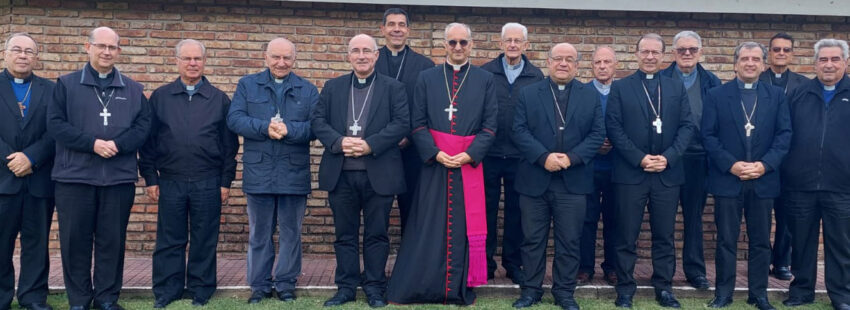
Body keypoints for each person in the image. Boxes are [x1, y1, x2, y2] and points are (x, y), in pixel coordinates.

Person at [386, 22, 497, 305]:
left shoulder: (485, 80)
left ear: (471, 45)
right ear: (444, 45)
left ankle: (457, 287)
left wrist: (470, 154)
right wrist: (435, 153)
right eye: (452, 43)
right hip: (434, 164)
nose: (457, 47)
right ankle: (426, 285)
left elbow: (490, 127)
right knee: (428, 225)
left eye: (463, 42)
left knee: (462, 226)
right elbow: (417, 123)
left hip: (467, 164)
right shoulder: (427, 77)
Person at [47, 26, 151, 310]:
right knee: (74, 242)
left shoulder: (132, 89)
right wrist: (92, 144)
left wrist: (118, 144)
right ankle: (79, 300)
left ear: (119, 51)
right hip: (74, 178)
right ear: (88, 47)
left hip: (117, 179)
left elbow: (144, 127)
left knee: (112, 243)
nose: (107, 52)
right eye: (101, 46)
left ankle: (106, 298)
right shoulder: (66, 85)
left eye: (112, 47)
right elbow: (55, 124)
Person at [311, 34, 409, 308]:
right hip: (341, 174)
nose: (362, 55)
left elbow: (402, 123)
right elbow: (317, 121)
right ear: (349, 56)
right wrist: (339, 141)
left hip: (379, 173)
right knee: (345, 235)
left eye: (367, 51)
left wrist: (370, 145)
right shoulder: (333, 87)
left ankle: (375, 288)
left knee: (377, 234)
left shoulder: (394, 88)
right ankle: (345, 287)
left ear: (377, 55)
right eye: (356, 51)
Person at [140, 39, 239, 308]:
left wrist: (225, 181)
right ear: (177, 61)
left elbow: (230, 146)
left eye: (197, 59)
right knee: (169, 238)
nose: (193, 63)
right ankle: (167, 290)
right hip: (169, 179)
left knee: (204, 238)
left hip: (207, 180)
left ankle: (200, 288)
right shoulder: (160, 97)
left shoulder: (219, 99)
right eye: (187, 58)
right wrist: (150, 177)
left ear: (205, 62)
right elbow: (147, 142)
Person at [510, 42, 605, 310]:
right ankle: (530, 291)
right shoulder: (529, 94)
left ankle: (564, 292)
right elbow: (518, 131)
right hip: (534, 179)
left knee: (569, 240)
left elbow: (597, 134)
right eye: (558, 59)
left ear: (577, 65)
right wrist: (544, 157)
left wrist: (570, 158)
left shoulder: (589, 95)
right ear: (548, 62)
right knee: (532, 240)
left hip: (573, 182)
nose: (563, 63)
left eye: (569, 59)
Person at [226, 37, 318, 304]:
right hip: (259, 172)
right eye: (276, 57)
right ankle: (259, 284)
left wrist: (290, 130)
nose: (281, 63)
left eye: (287, 58)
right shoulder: (247, 85)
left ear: (294, 59)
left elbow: (316, 128)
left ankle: (286, 283)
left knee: (291, 232)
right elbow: (235, 119)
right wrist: (264, 127)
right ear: (265, 57)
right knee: (259, 232)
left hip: (293, 172)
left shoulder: (308, 89)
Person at [606, 33, 694, 309]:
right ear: (636, 54)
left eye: (655, 52)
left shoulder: (675, 87)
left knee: (664, 235)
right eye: (645, 51)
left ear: (663, 55)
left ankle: (664, 287)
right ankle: (625, 288)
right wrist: (640, 158)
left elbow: (687, 127)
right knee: (626, 234)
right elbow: (614, 128)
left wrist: (668, 158)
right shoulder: (621, 87)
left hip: (666, 175)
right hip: (631, 174)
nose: (650, 57)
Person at [701, 41, 791, 310]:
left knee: (761, 241)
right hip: (728, 179)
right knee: (726, 240)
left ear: (763, 64)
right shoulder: (717, 95)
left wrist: (764, 165)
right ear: (735, 63)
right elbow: (708, 135)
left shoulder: (776, 96)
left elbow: (784, 136)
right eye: (744, 58)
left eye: (755, 59)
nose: (750, 63)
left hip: (763, 180)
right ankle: (724, 294)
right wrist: (731, 165)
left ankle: (759, 294)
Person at [781, 38, 850, 310]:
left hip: (841, 185)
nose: (829, 64)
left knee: (840, 245)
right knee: (802, 243)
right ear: (815, 62)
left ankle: (842, 295)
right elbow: (784, 135)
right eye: (823, 59)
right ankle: (800, 291)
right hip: (800, 184)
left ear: (845, 62)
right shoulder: (799, 93)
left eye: (835, 59)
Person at [479, 22, 543, 284]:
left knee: (517, 213)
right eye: (509, 40)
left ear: (526, 45)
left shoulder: (536, 76)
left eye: (518, 41)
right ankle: (484, 263)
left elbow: (539, 118)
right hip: (489, 154)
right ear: (501, 43)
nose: (513, 45)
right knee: (486, 212)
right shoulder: (485, 74)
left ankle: (513, 263)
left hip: (521, 157)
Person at [659, 30, 721, 290]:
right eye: (682, 49)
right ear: (673, 52)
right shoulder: (661, 79)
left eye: (692, 50)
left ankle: (695, 271)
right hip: (668, 157)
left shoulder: (711, 81)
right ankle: (664, 272)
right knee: (664, 218)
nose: (687, 54)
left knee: (694, 217)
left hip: (698, 158)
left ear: (700, 52)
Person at [0, 33, 55, 310]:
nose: (23, 55)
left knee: (36, 244)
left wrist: (31, 157)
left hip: (39, 180)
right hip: (2, 179)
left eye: (29, 51)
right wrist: (12, 158)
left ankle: (33, 297)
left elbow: (56, 131)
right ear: (5, 53)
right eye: (17, 50)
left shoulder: (51, 90)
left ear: (36, 57)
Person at [374, 8, 435, 235]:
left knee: (412, 210)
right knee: (377, 213)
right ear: (383, 29)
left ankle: (410, 268)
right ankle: (376, 268)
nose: (396, 29)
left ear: (408, 30)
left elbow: (428, 108)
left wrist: (409, 136)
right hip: (377, 151)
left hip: (412, 150)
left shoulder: (425, 66)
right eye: (391, 24)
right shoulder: (371, 61)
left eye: (401, 25)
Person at [757, 32, 807, 281]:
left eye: (786, 50)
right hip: (763, 159)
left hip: (791, 161)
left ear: (792, 54)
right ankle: (762, 260)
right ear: (769, 53)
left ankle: (782, 262)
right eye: (776, 49)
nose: (781, 54)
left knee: (786, 215)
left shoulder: (803, 84)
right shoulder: (758, 78)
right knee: (762, 215)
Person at [578, 45, 618, 287]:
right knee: (586, 219)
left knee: (615, 220)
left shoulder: (625, 91)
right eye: (597, 63)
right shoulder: (582, 92)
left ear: (615, 65)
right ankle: (584, 268)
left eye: (607, 62)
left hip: (617, 168)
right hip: (588, 167)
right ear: (591, 66)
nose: (602, 67)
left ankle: (612, 267)